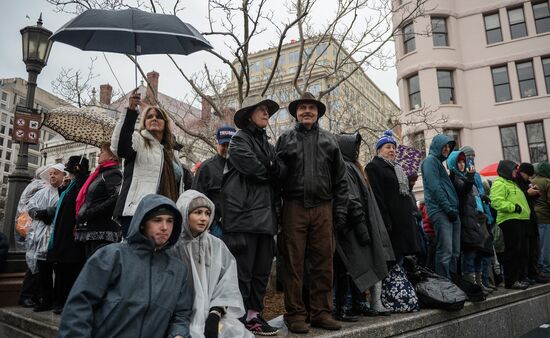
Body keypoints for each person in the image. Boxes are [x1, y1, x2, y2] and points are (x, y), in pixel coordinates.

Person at [58, 194, 193, 338]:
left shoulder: (178, 269)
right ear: (143, 222)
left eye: (170, 221)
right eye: (157, 220)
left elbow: (181, 314)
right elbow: (79, 306)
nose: (165, 227)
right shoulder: (112, 256)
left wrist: (178, 334)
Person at [275, 92, 348, 334]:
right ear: (296, 112)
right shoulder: (284, 139)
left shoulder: (330, 140)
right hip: (293, 207)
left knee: (324, 262)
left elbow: (341, 181)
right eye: (302, 107)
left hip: (323, 208)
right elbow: (275, 181)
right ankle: (295, 314)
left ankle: (321, 313)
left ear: (318, 112)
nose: (307, 111)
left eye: (311, 108)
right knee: (293, 264)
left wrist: (339, 212)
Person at [220, 95, 280, 336]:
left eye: (267, 110)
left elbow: (280, 171)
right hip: (243, 219)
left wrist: (272, 166)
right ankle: (239, 318)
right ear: (249, 114)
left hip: (266, 220)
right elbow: (255, 169)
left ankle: (255, 316)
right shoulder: (238, 140)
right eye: (261, 110)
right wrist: (271, 166)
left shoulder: (267, 144)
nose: (266, 113)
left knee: (261, 272)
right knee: (242, 273)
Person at [170, 190, 253, 338]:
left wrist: (215, 313)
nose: (204, 218)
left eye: (207, 213)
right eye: (198, 212)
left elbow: (227, 283)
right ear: (184, 213)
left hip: (212, 313)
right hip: (179, 316)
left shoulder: (216, 245)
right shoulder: (173, 247)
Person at [111, 90, 187, 237]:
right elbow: (119, 148)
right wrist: (131, 110)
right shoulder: (138, 140)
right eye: (150, 116)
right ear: (144, 122)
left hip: (166, 213)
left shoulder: (171, 152)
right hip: (138, 212)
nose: (154, 118)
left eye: (159, 117)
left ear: (165, 123)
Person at [335, 133, 393, 320]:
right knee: (352, 266)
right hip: (352, 225)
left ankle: (359, 302)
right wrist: (360, 225)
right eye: (354, 146)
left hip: (360, 223)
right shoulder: (345, 167)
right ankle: (346, 305)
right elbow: (350, 199)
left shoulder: (355, 167)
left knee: (361, 264)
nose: (357, 151)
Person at [365, 130, 419, 263]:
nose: (392, 150)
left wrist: (410, 183)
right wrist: (386, 220)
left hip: (403, 221)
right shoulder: (374, 167)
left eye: (394, 148)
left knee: (402, 259)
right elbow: (377, 196)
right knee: (393, 260)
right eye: (388, 147)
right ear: (379, 150)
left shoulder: (397, 168)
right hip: (391, 223)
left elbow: (402, 193)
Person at [47, 156, 90, 314]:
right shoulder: (71, 184)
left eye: (70, 169)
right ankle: (58, 300)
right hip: (62, 233)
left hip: (71, 234)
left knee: (70, 269)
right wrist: (63, 189)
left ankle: (65, 301)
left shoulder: (82, 182)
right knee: (61, 268)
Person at [26, 163, 66, 312]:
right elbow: (30, 207)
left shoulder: (65, 191)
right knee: (43, 269)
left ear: (63, 175)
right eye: (50, 173)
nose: (52, 176)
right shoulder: (42, 192)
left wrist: (52, 212)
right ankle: (46, 299)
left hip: (57, 235)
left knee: (59, 269)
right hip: (42, 236)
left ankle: (57, 300)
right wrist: (40, 213)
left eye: (56, 173)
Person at [447, 151, 487, 293]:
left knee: (477, 252)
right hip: (464, 221)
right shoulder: (455, 177)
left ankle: (478, 282)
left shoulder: (463, 177)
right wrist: (470, 178)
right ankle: (471, 285)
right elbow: (463, 191)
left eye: (464, 161)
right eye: (459, 162)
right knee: (469, 254)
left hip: (472, 221)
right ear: (453, 163)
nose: (462, 164)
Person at [421, 134, 459, 280]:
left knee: (454, 253)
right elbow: (435, 187)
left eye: (449, 146)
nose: (447, 148)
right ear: (437, 145)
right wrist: (448, 208)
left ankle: (453, 284)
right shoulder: (430, 161)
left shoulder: (439, 164)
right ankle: (446, 286)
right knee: (445, 252)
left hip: (450, 211)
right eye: (444, 145)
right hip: (441, 211)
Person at [75, 143, 122, 258]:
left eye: (102, 152)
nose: (98, 155)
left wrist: (91, 212)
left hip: (102, 230)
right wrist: (80, 175)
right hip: (91, 228)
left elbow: (115, 199)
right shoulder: (98, 174)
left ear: (112, 156)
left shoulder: (113, 173)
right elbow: (88, 196)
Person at [490, 160, 531, 289]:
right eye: (514, 169)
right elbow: (496, 201)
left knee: (520, 251)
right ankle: (511, 281)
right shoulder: (499, 183)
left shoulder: (512, 183)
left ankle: (517, 278)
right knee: (512, 251)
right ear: (506, 170)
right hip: (509, 220)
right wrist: (513, 208)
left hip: (519, 219)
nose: (516, 172)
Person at [192, 126, 236, 238]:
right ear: (216, 143)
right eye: (223, 145)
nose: (226, 148)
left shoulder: (241, 167)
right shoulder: (206, 168)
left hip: (238, 225)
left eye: (230, 145)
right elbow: (196, 198)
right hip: (215, 225)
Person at [17, 166, 48, 308]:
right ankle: (27, 295)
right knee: (34, 263)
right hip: (35, 229)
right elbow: (30, 206)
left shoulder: (38, 185)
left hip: (38, 229)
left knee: (38, 263)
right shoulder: (39, 186)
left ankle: (34, 295)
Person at [515, 162, 549, 284]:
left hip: (532, 217)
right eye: (527, 175)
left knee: (534, 248)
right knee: (529, 249)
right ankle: (531, 273)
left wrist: (534, 194)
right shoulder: (518, 183)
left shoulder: (526, 182)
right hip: (529, 219)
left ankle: (534, 272)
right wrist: (528, 193)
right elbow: (519, 199)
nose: (529, 178)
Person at [533, 162, 550, 278]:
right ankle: (547, 270)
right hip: (545, 217)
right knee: (546, 246)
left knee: (538, 245)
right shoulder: (547, 182)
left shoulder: (532, 181)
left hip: (535, 216)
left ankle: (539, 268)